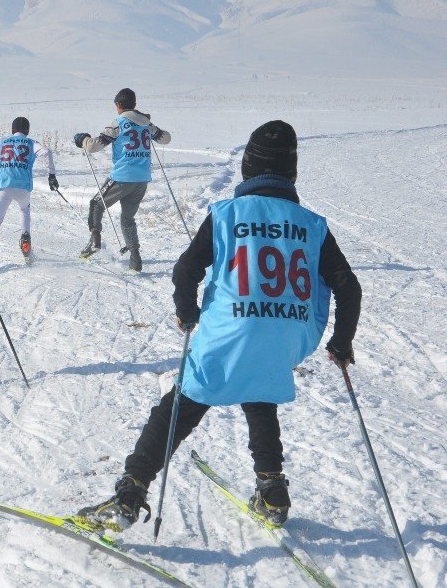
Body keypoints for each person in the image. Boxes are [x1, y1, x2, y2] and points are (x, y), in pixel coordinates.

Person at [79, 121, 362, 531]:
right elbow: (348, 287)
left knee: (179, 407)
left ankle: (131, 490)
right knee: (259, 392)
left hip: (230, 331)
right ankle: (272, 489)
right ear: (290, 172)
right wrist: (341, 341)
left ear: (249, 168)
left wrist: (187, 312)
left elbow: (186, 269)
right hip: (287, 336)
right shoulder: (313, 225)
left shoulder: (228, 214)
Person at [73, 88, 171, 271]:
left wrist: (84, 140)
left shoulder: (119, 122)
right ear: (134, 104)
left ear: (118, 105)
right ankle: (135, 260)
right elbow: (166, 139)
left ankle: (95, 241)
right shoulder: (147, 124)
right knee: (127, 218)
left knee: (96, 204)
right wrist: (150, 126)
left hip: (122, 177)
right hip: (142, 180)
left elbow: (94, 146)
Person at [0, 117, 59, 270]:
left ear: (12, 130)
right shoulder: (31, 143)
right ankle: (25, 239)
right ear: (27, 131)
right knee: (24, 210)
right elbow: (47, 152)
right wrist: (51, 175)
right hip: (23, 187)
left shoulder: (2, 142)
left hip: (2, 186)